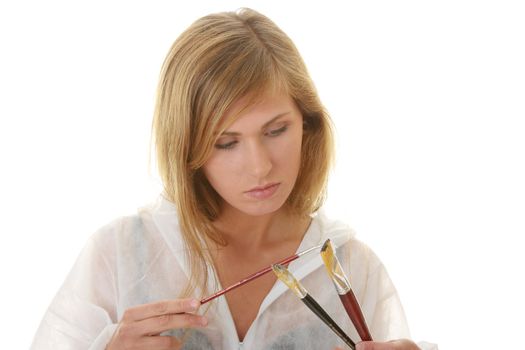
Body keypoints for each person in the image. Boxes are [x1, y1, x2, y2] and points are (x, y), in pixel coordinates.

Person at [31, 8, 436, 350]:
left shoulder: (351, 268)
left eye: (276, 131)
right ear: (186, 148)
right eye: (226, 143)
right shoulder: (120, 255)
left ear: (307, 125)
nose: (259, 166)